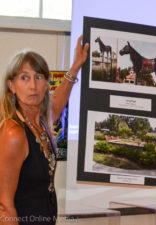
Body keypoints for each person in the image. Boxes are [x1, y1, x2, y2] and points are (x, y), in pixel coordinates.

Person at [0, 36, 89, 225]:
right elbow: (4, 204)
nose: (33, 86)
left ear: (47, 83)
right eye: (24, 78)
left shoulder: (40, 121)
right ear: (11, 86)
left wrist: (75, 67)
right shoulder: (13, 132)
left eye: (38, 77)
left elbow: (56, 104)